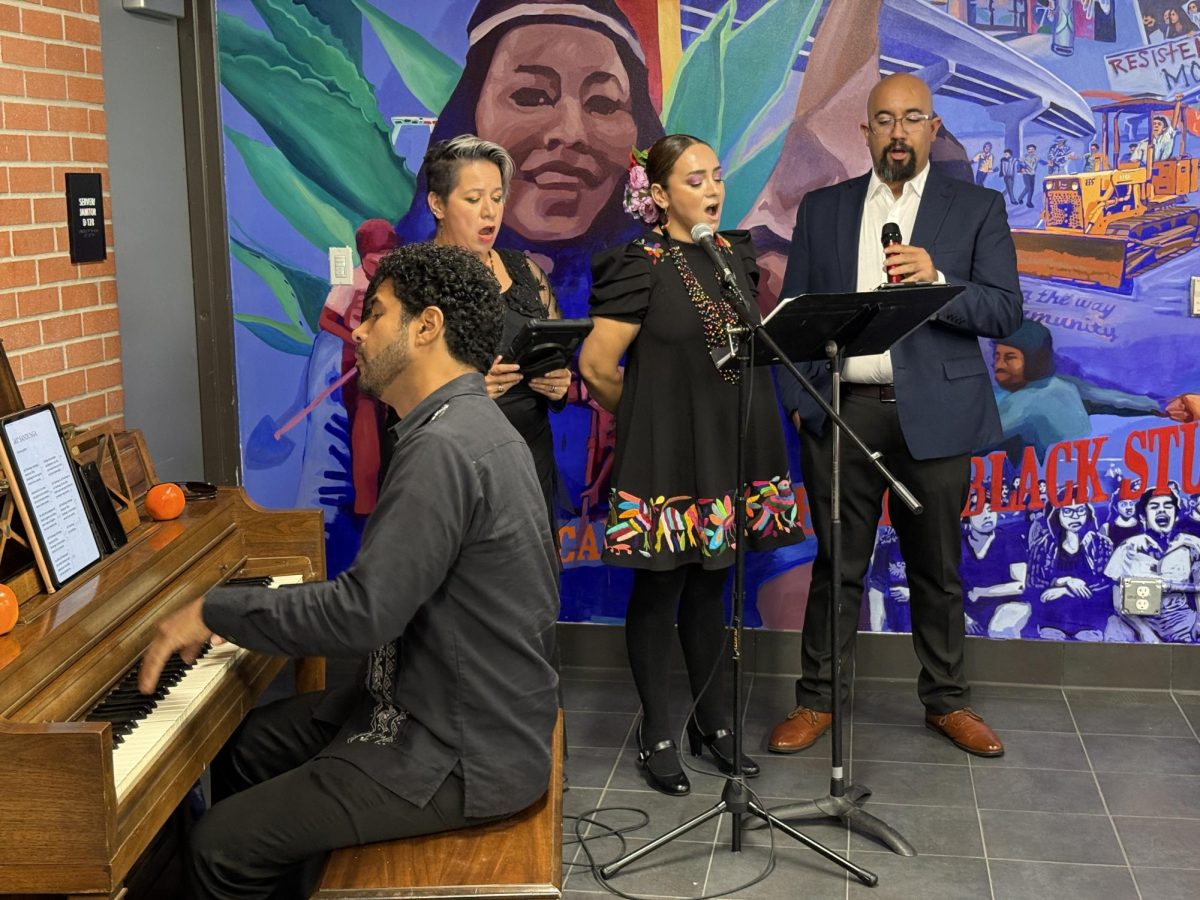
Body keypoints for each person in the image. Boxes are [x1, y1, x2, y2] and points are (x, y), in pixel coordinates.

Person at [138, 244, 561, 898]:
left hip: (462, 751)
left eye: (377, 314)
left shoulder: (446, 447)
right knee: (247, 746)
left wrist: (212, 609)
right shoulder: (461, 423)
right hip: (438, 705)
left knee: (221, 844)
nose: (357, 332)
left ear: (427, 328)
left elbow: (363, 614)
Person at [769, 73, 1022, 759]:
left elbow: (1004, 311)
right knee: (837, 565)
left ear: (932, 129)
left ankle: (947, 702)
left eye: (913, 119)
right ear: (867, 131)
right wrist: (804, 406)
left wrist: (938, 282)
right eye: (885, 120)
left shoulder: (975, 208)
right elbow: (791, 318)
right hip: (842, 412)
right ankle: (816, 699)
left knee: (937, 569)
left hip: (936, 418)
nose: (899, 132)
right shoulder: (823, 211)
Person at [578, 134, 803, 795]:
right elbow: (596, 365)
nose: (711, 188)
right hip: (668, 454)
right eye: (694, 178)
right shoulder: (637, 263)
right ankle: (656, 731)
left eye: (716, 175)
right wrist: (651, 414)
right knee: (660, 590)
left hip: (731, 447)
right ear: (658, 194)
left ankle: (714, 724)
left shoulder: (734, 255)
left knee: (714, 586)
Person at [398, 0, 664, 309]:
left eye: (603, 104)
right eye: (531, 95)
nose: (571, 132)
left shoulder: (658, 284)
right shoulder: (409, 287)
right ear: (471, 115)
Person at [422, 134, 571, 533]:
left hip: (528, 459)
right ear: (437, 204)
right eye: (473, 200)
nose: (489, 212)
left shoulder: (526, 271)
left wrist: (560, 384)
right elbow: (390, 387)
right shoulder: (412, 280)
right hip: (453, 467)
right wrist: (468, 391)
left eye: (497, 197)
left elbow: (557, 353)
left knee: (532, 586)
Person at [992, 318, 1168, 460]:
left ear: (1033, 360)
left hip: (1049, 484)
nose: (998, 364)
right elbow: (1118, 401)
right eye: (997, 356)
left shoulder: (1023, 402)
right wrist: (1162, 406)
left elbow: (976, 440)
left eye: (1010, 358)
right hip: (1082, 473)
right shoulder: (1066, 385)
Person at [1103, 487, 1200, 643]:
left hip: (1180, 620)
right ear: (1142, 516)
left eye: (1168, 506)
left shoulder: (1193, 546)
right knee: (1114, 629)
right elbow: (1117, 599)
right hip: (1137, 620)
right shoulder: (1128, 548)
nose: (1162, 511)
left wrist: (1198, 622)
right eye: (1154, 507)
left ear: (1175, 515)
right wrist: (1144, 631)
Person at [1027, 502, 1112, 641]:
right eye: (1067, 511)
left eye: (1080, 511)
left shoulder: (1102, 544)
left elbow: (1106, 585)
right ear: (1057, 514)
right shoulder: (1043, 545)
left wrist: (1065, 591)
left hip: (1090, 623)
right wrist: (1064, 581)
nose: (1075, 517)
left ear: (1088, 513)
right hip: (1050, 622)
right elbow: (1033, 583)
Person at [961, 494, 1030, 639]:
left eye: (991, 509)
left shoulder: (1009, 541)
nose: (987, 515)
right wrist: (964, 617)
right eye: (979, 510)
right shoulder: (958, 545)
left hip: (1010, 606)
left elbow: (1019, 586)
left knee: (1000, 629)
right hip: (969, 612)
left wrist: (981, 592)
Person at [1017, 143, 1041, 208]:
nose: (1030, 151)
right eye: (1029, 149)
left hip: (1032, 174)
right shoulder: (1024, 157)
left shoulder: (1036, 157)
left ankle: (1021, 199)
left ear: (1035, 150)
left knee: (1031, 189)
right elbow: (1019, 163)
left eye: (1032, 149)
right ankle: (1028, 202)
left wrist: (1048, 163)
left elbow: (1042, 162)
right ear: (1027, 150)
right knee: (1028, 187)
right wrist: (1019, 170)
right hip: (1026, 173)